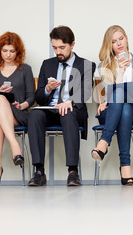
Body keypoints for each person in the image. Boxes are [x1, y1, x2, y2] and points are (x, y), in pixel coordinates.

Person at [28, 26, 95, 186]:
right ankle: (38, 171)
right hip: (49, 110)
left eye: (62, 48)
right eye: (55, 48)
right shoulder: (47, 64)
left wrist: (69, 103)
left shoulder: (86, 65)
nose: (58, 52)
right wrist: (47, 89)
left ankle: (73, 171)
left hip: (72, 110)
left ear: (72, 44)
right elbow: (38, 97)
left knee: (68, 112)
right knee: (35, 114)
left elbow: (84, 93)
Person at [91, 25, 133, 185]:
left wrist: (115, 95)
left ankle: (104, 142)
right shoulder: (103, 65)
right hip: (109, 112)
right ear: (110, 45)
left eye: (121, 38)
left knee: (121, 97)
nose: (118, 43)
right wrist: (121, 72)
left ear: (127, 38)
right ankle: (125, 166)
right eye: (114, 41)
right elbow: (105, 95)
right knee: (122, 106)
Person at [0, 32, 35, 187]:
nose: (8, 55)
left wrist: (22, 105)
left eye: (12, 51)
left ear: (18, 52)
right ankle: (15, 146)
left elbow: (31, 97)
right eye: (5, 51)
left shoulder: (25, 69)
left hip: (18, 114)